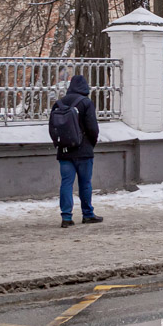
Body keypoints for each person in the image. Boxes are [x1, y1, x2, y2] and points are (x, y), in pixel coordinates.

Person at [51, 75, 102, 228]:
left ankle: (66, 217)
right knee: (85, 183)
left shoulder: (59, 104)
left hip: (65, 150)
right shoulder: (86, 103)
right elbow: (93, 128)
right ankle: (87, 214)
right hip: (83, 150)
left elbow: (52, 128)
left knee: (66, 183)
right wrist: (90, 144)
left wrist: (59, 143)